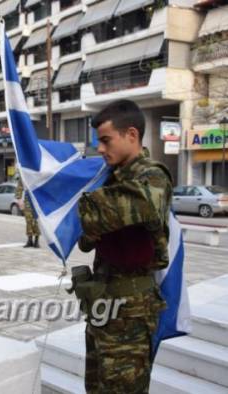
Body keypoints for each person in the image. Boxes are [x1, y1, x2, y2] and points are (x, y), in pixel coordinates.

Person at [76, 99, 172, 393]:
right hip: (103, 307)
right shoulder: (109, 179)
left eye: (106, 140)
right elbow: (85, 240)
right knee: (96, 386)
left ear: (131, 134)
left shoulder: (152, 175)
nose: (101, 149)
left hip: (131, 314)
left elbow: (139, 207)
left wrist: (87, 206)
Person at [15, 176, 40, 248]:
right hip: (28, 199)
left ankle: (36, 241)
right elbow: (20, 186)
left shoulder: (38, 172)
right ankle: (29, 240)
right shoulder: (25, 172)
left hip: (37, 200)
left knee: (36, 221)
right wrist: (19, 199)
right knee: (28, 220)